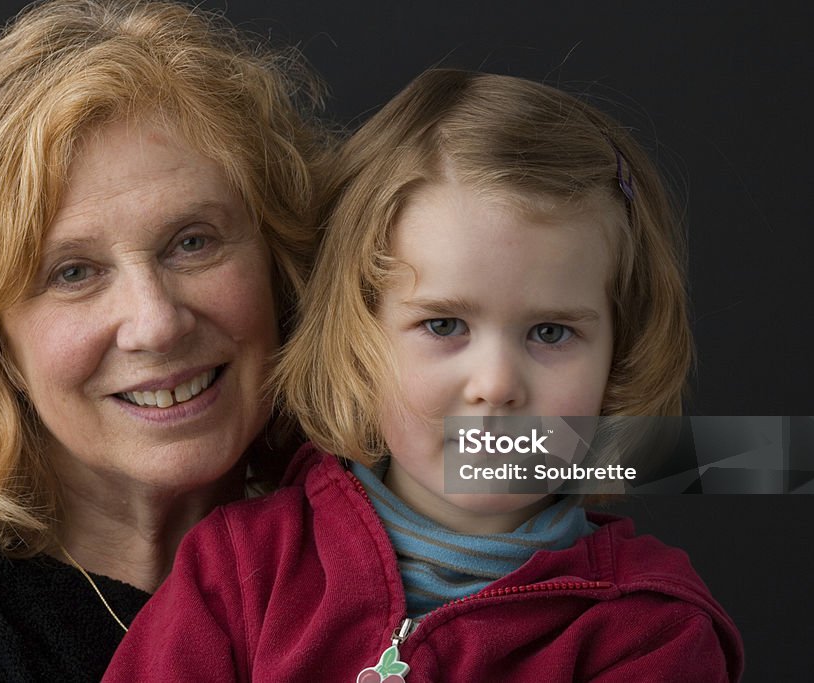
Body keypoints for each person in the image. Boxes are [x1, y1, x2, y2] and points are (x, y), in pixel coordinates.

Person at [104, 69, 744, 681]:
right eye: (444, 326)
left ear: (619, 355)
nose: (495, 385)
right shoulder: (241, 571)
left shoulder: (649, 633)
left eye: (551, 332)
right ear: (359, 338)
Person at [0, 0, 327, 680]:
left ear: (278, 262)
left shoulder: (392, 558)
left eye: (192, 242)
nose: (156, 321)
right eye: (73, 273)